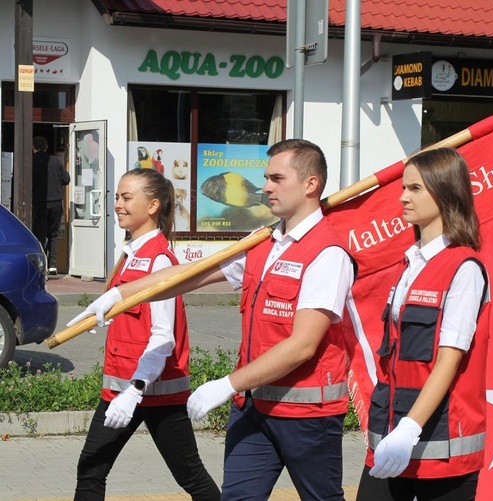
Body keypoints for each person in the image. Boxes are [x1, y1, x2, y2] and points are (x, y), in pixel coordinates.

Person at [69, 139, 356, 501]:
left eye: (277, 178)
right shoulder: (262, 243)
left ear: (311, 184)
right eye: (266, 177)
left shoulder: (327, 254)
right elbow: (187, 275)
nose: (265, 186)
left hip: (305, 415)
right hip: (253, 410)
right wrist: (120, 295)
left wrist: (227, 384)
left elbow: (302, 346)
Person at [71, 168, 220, 501]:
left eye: (127, 198)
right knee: (91, 469)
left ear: (152, 206)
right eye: (117, 197)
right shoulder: (132, 253)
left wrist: (134, 390)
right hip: (122, 388)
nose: (118, 205)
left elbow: (163, 336)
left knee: (191, 476)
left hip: (152, 391)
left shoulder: (158, 261)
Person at [357, 148, 490, 501]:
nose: (402, 197)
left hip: (439, 444)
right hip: (391, 434)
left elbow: (449, 360)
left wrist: (409, 430)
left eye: (415, 189)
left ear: (445, 192)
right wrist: (395, 432)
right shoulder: (410, 264)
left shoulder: (464, 269)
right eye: (404, 187)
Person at [32, 135, 70, 275]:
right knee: (53, 234)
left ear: (33, 147)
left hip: (39, 204)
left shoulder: (31, 162)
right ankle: (53, 265)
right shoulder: (56, 162)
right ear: (47, 147)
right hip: (56, 204)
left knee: (39, 235)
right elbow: (66, 179)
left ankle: (42, 265)